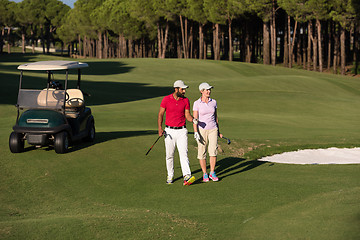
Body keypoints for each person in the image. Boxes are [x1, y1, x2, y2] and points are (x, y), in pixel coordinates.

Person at [158, 80, 198, 185]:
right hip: (169, 131)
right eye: (182, 89)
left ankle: (187, 176)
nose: (184, 91)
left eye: (184, 89)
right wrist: (160, 128)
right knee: (169, 155)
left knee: (184, 154)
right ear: (176, 89)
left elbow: (187, 115)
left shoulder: (185, 100)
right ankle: (170, 175)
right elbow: (161, 114)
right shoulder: (166, 99)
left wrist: (193, 120)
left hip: (182, 131)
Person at [193, 82, 223, 182]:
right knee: (202, 152)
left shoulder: (213, 102)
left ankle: (212, 172)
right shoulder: (197, 103)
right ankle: (205, 173)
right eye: (207, 90)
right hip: (201, 130)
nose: (209, 91)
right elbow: (195, 119)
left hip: (213, 129)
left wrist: (219, 131)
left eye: (209, 89)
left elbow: (216, 117)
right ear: (201, 91)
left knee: (213, 151)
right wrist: (195, 131)